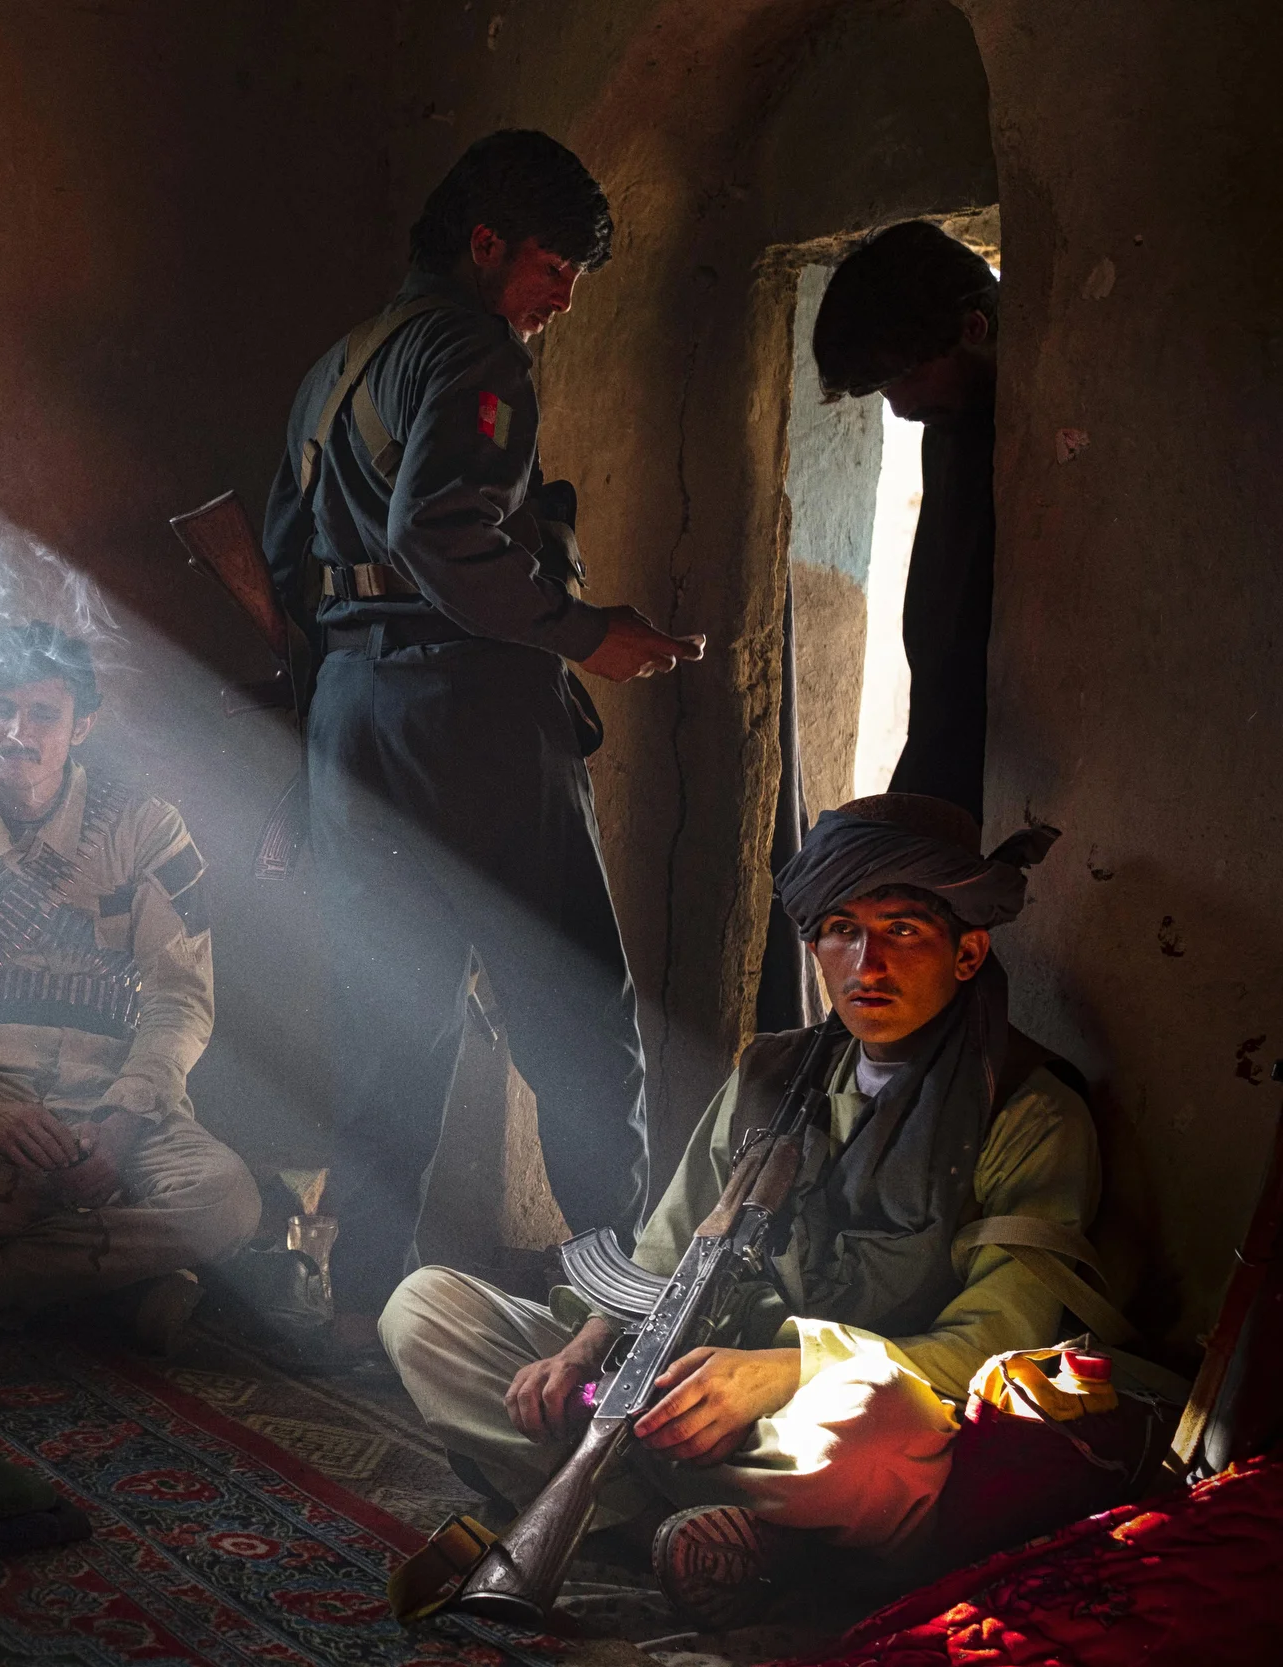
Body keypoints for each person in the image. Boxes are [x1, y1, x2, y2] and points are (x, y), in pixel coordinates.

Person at [380, 794, 1103, 1624]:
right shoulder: (773, 1072)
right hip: (683, 1392)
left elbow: (998, 1343)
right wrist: (585, 1349)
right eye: (841, 930)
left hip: (816, 1419)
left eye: (902, 930)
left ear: (968, 951)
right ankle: (704, 1536)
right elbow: (669, 1245)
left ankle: (662, 1515)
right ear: (816, 946)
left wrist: (786, 1372)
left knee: (873, 1430)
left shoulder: (1027, 1111)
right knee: (425, 1309)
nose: (866, 963)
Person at [260, 128, 704, 1341]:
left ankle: (364, 1310)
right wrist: (582, 631)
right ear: (487, 244)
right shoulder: (471, 349)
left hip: (352, 717)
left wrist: (331, 718)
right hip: (470, 721)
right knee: (577, 1020)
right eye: (554, 269)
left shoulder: (338, 365)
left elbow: (288, 562)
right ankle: (616, 1314)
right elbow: (442, 529)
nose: (563, 298)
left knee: (389, 1026)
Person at [0, 625, 260, 1349]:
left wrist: (122, 1120)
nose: (18, 732)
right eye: (0, 708)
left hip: (108, 1111)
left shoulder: (147, 831)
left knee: (224, 1199)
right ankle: (111, 1288)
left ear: (82, 726)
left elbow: (178, 997)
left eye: (43, 714)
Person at [813, 220, 1000, 819]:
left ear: (974, 328)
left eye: (908, 378)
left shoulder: (1027, 427)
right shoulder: (950, 422)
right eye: (884, 391)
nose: (900, 408)